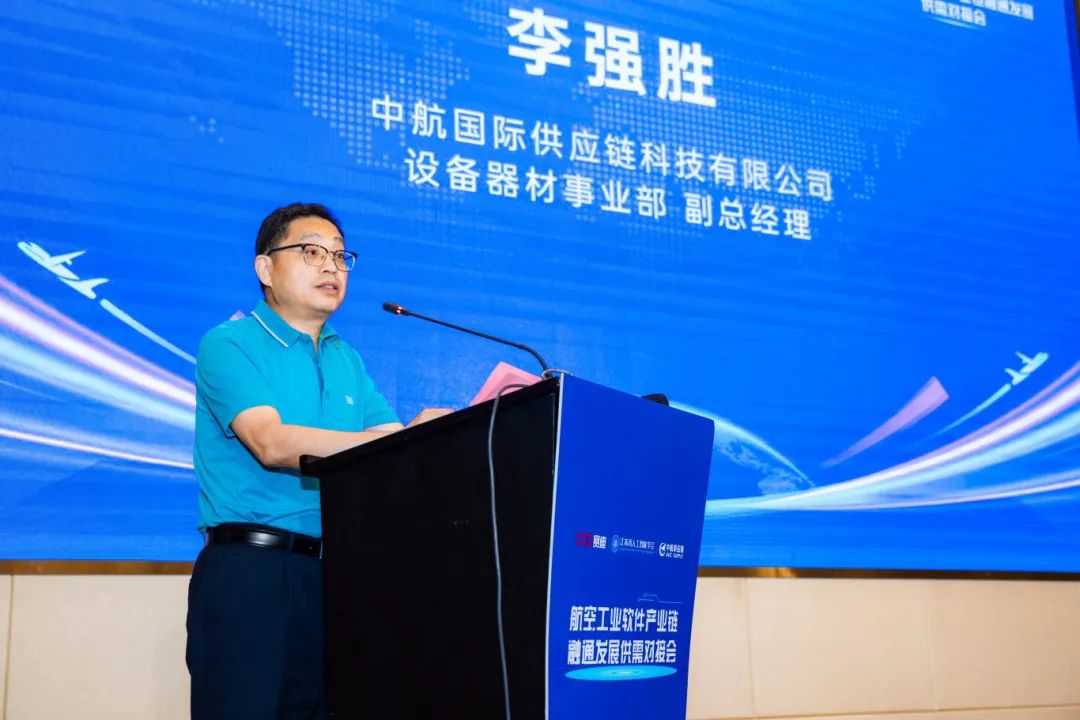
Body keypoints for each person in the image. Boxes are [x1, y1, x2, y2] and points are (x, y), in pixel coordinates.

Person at [186, 202, 448, 719]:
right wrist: (395, 440)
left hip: (339, 576)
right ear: (265, 268)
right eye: (311, 251)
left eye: (340, 256)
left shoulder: (345, 358)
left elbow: (391, 446)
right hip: (253, 574)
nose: (332, 265)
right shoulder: (229, 343)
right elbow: (271, 442)